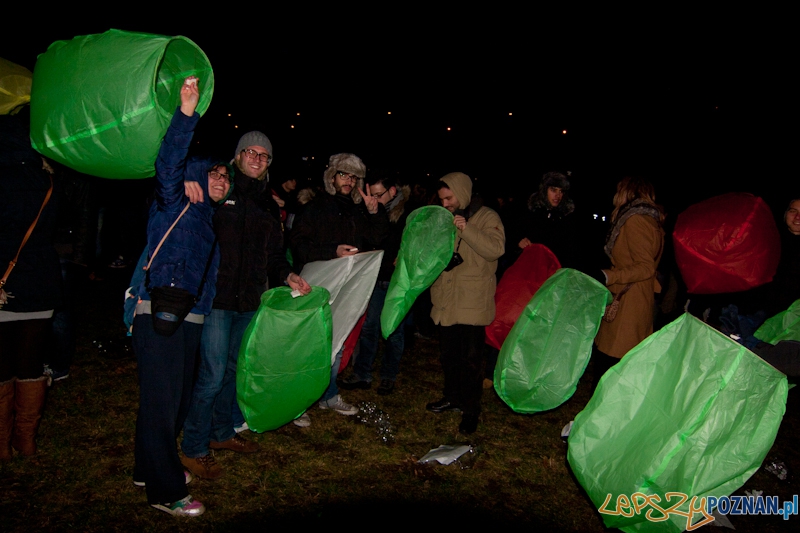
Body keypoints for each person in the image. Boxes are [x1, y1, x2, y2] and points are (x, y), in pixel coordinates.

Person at [179, 132, 310, 479]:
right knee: (211, 375)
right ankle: (193, 447)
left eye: (264, 155)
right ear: (237, 156)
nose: (257, 158)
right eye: (250, 152)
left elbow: (273, 255)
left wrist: (288, 275)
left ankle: (221, 432)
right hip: (217, 298)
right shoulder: (220, 189)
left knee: (234, 371)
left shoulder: (269, 204)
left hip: (250, 301)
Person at [129, 77, 230, 517]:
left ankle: (145, 467)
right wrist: (186, 111)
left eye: (225, 176)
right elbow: (169, 163)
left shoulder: (207, 218)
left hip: (191, 316)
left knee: (172, 400)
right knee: (163, 402)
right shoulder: (175, 200)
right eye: (214, 173)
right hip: (159, 311)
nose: (222, 179)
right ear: (195, 175)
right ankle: (164, 490)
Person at [289, 153, 389, 425]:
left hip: (347, 287)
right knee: (309, 343)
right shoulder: (315, 207)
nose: (349, 181)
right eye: (343, 174)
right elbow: (299, 245)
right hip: (316, 285)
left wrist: (374, 212)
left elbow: (378, 238)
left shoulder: (358, 211)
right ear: (331, 177)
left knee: (338, 340)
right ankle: (298, 400)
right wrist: (332, 251)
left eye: (354, 177)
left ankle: (328, 393)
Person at [0, 111, 62, 462]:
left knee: (2, 363)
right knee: (31, 361)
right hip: (40, 279)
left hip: (4, 281)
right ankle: (26, 441)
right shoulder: (47, 177)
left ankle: (2, 445)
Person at [425, 172, 505, 434]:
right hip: (447, 298)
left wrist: (466, 229)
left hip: (472, 302)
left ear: (462, 192)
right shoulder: (444, 217)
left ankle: (471, 410)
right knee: (449, 356)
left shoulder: (487, 216)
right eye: (442, 199)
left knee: (471, 360)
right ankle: (452, 397)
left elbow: (496, 249)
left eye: (449, 197)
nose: (445, 203)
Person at [339, 176, 412, 395]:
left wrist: (406, 256)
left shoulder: (407, 214)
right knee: (369, 326)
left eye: (379, 194)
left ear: (393, 190)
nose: (375, 199)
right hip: (373, 277)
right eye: (372, 195)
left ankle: (388, 376)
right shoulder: (368, 210)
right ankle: (362, 373)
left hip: (396, 280)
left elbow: (417, 243)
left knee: (393, 328)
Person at [592, 176, 665, 386]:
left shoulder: (636, 220)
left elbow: (646, 266)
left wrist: (610, 275)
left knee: (610, 368)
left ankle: (601, 407)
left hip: (628, 303)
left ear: (627, 192)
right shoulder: (652, 221)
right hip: (636, 300)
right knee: (622, 367)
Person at [516, 171, 580, 269]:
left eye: (561, 191)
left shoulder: (566, 217)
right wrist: (520, 243)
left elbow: (572, 252)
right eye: (553, 190)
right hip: (532, 269)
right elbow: (514, 237)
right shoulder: (530, 213)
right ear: (545, 190)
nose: (558, 195)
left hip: (557, 272)